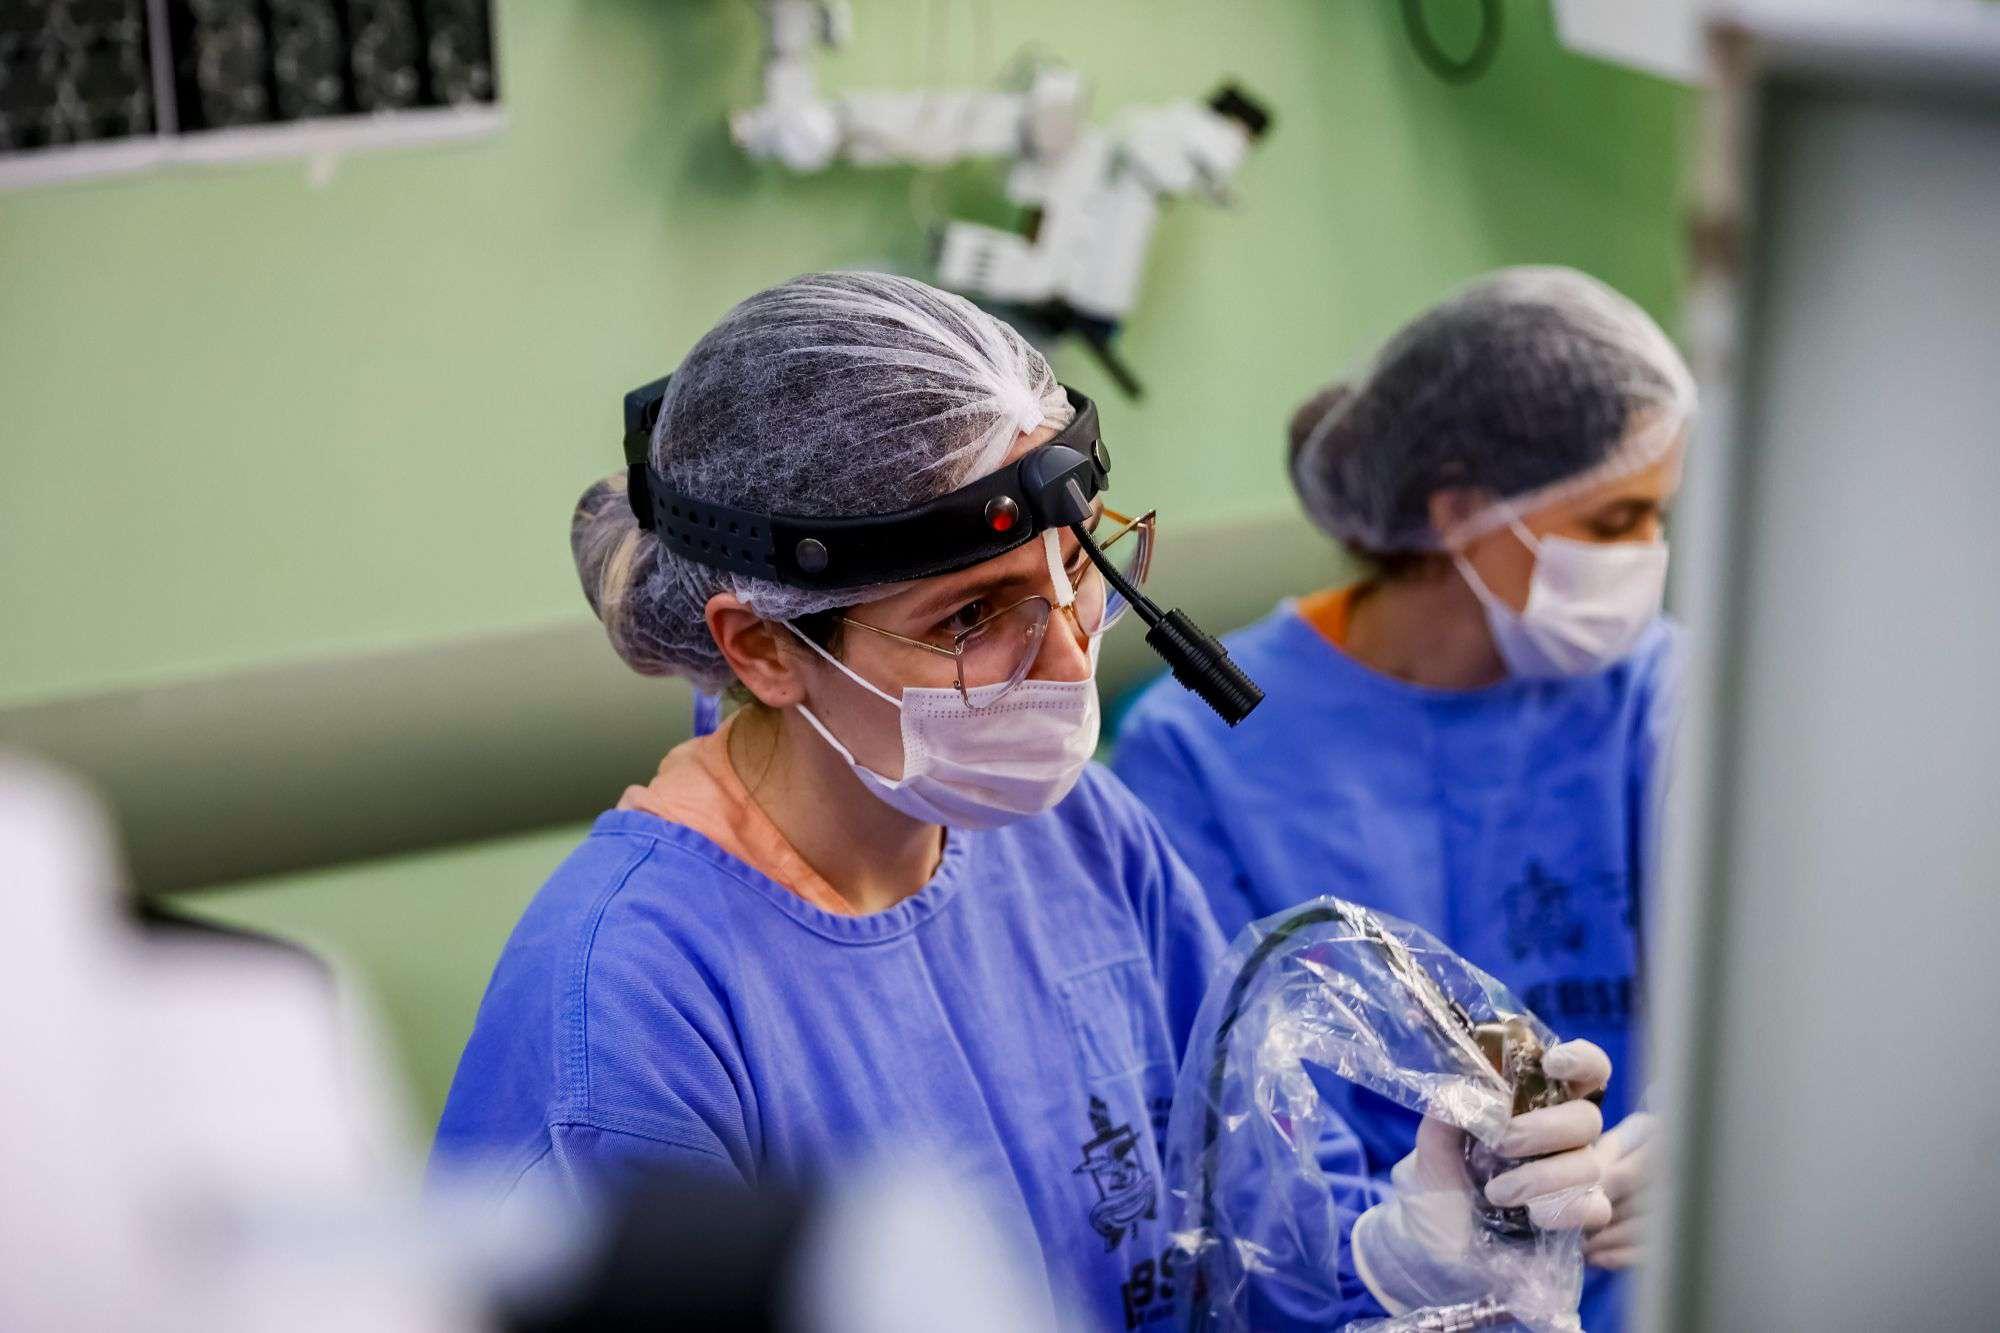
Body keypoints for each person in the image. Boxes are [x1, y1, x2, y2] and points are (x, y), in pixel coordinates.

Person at [431, 272, 1612, 1330]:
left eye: (1077, 570)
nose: (1067, 659)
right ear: (763, 649)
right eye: (969, 616)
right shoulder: (625, 1010)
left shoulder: (1078, 839)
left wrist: (1407, 1254)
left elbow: (1233, 1251)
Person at [1113, 266, 1689, 1330]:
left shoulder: (1657, 698)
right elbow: (1226, 1137)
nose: (1647, 556)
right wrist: (1406, 1252)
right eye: (1616, 519)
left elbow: (1789, 979)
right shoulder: (1200, 753)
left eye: (1659, 517)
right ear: (1460, 509)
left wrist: (1695, 1136)